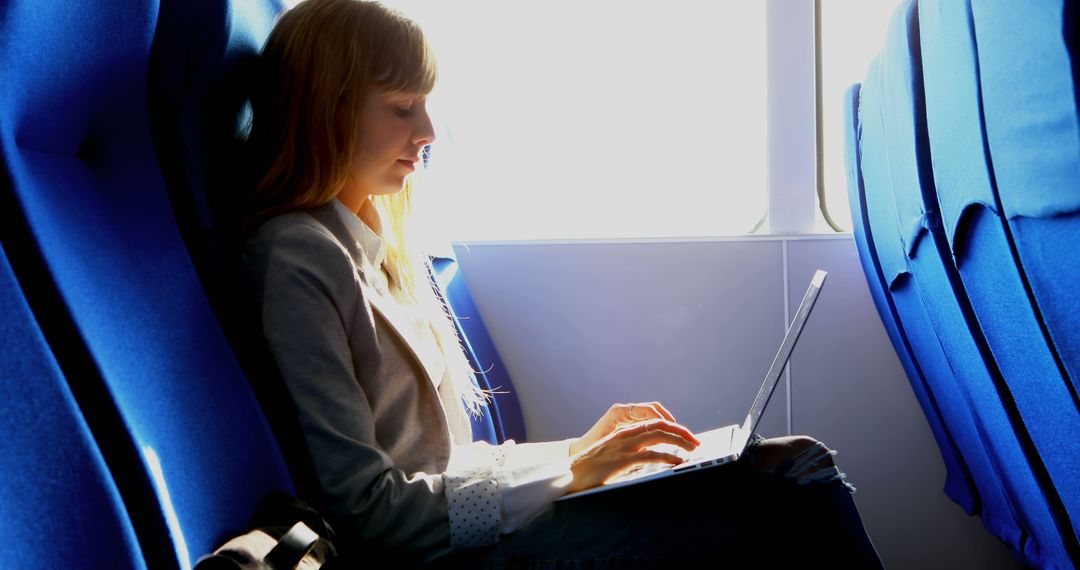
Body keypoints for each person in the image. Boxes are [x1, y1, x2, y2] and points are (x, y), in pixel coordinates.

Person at [241, 0, 884, 566]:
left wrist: (579, 454)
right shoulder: (299, 260)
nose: (429, 132)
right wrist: (568, 474)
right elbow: (368, 510)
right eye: (402, 108)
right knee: (791, 488)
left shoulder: (383, 243)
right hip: (433, 554)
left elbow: (447, 465)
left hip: (474, 533)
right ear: (328, 113)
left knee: (793, 461)